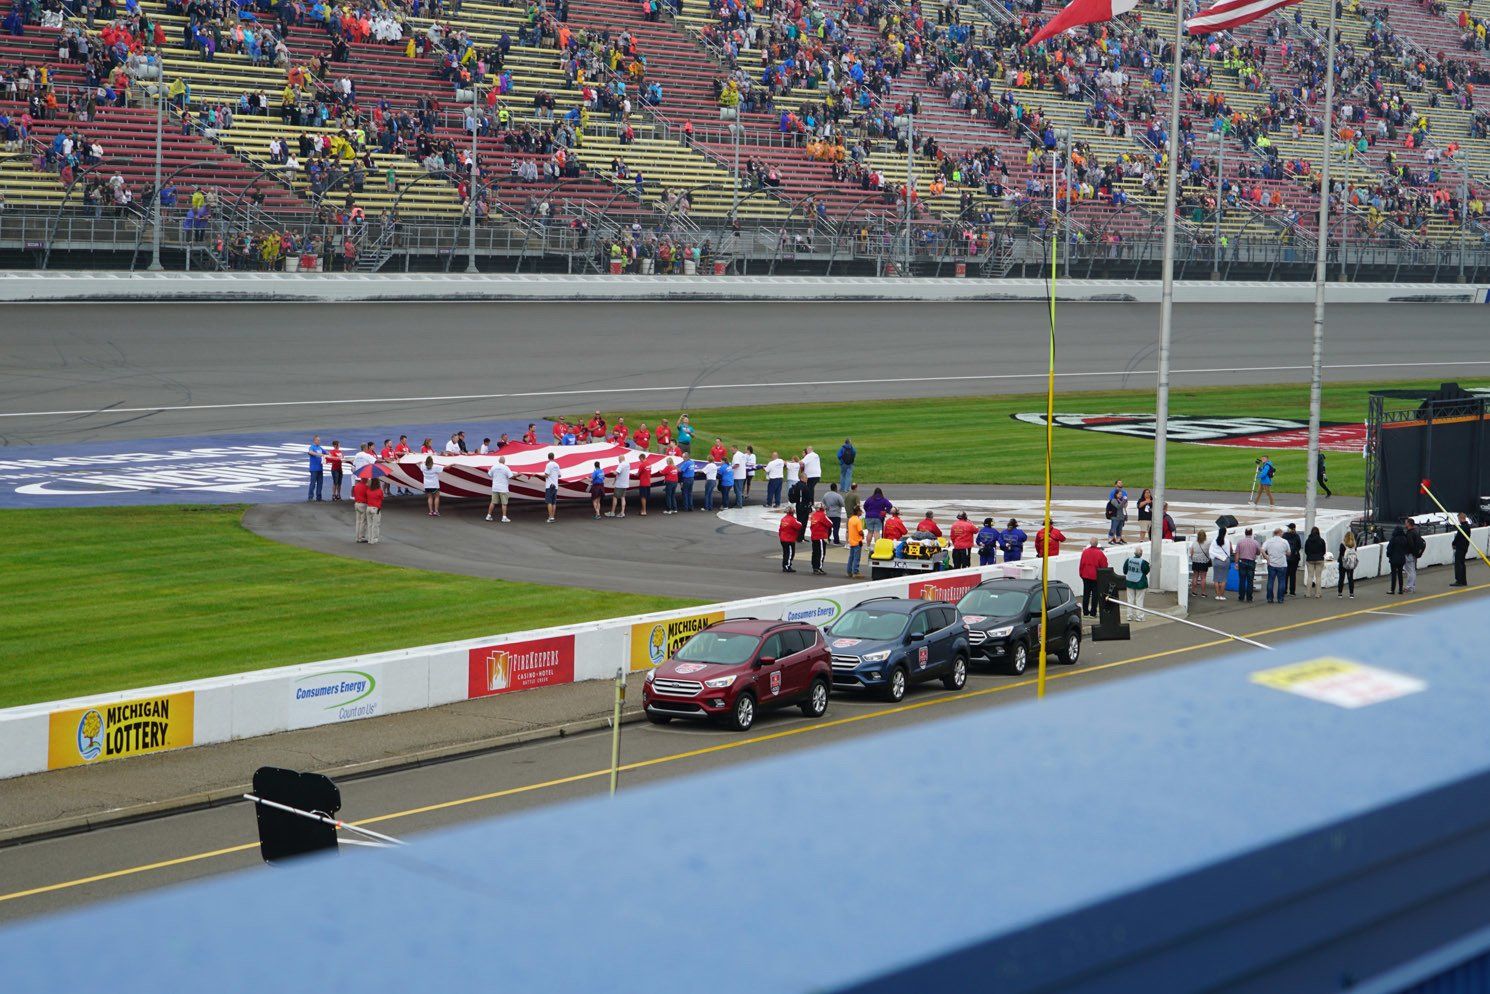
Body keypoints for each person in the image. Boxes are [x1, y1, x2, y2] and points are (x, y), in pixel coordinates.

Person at [1261, 528, 1291, 603]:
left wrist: (1266, 557)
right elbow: (1289, 553)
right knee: (1281, 582)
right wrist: (1285, 553)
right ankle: (1280, 599)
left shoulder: (1269, 541)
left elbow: (1262, 549)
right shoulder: (1284, 541)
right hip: (1282, 564)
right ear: (1280, 533)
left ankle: (1270, 598)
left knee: (1270, 581)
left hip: (1271, 564)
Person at [1078, 538, 1106, 616]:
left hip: (1085, 575)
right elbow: (1104, 565)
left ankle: (1085, 611)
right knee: (1095, 595)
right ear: (1097, 544)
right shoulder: (1100, 553)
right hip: (1095, 577)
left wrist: (1081, 574)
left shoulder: (1085, 552)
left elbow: (1081, 564)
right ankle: (1093, 612)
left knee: (1086, 594)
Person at [1122, 546, 1150, 622]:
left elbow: (1124, 571)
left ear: (1134, 553)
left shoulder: (1128, 560)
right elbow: (1146, 571)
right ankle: (1139, 616)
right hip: (1140, 583)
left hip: (1129, 582)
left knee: (1130, 600)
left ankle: (1129, 616)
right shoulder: (1143, 562)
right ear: (1141, 554)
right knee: (1139, 600)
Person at [1234, 528, 1261, 603]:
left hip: (1242, 561)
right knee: (1250, 581)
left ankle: (1241, 597)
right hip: (1251, 562)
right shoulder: (1255, 542)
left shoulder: (1240, 542)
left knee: (1242, 580)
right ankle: (1249, 598)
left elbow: (1237, 553)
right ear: (1251, 533)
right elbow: (1258, 553)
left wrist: (1236, 563)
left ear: (1245, 533)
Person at [486, 456, 513, 522]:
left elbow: (489, 475)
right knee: (504, 503)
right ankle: (504, 517)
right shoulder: (506, 467)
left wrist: (488, 470)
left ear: (499, 461)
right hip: (503, 488)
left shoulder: (494, 467)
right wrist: (518, 475)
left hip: (495, 487)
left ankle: (488, 516)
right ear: (504, 461)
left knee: (493, 502)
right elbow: (511, 476)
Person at [1303, 526, 1327, 597]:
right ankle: (1318, 594)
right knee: (1318, 577)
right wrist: (1320, 555)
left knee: (1310, 576)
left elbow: (1306, 551)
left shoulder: (1308, 540)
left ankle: (1308, 593)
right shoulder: (1321, 540)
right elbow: (1324, 551)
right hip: (1319, 559)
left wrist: (1310, 555)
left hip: (1310, 559)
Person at [1386, 523, 1410, 594]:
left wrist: (1389, 555)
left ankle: (1392, 589)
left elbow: (1389, 548)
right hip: (1402, 559)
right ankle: (1400, 589)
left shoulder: (1393, 539)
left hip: (1394, 559)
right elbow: (1406, 548)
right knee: (1400, 574)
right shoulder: (1404, 539)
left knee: (1394, 574)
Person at [808, 502, 831, 575]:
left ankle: (815, 567)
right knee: (821, 553)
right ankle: (819, 568)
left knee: (815, 552)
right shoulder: (822, 515)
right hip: (821, 536)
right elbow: (830, 523)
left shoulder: (813, 515)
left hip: (814, 536)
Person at [1209, 528, 1232, 601]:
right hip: (1225, 561)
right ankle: (1222, 596)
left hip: (1216, 561)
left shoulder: (1214, 541)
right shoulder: (1228, 541)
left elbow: (1211, 551)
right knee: (1223, 579)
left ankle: (1217, 595)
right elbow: (1230, 551)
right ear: (1225, 533)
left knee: (1216, 579)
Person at [1404, 519, 1426, 593]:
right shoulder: (1416, 532)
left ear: (1409, 524)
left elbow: (1410, 544)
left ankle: (1410, 587)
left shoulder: (1410, 533)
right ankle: (1412, 586)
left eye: (1406, 522)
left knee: (1410, 571)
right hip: (1414, 554)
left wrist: (1411, 552)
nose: (1405, 524)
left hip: (1409, 554)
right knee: (1412, 570)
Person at [1189, 529, 1212, 597]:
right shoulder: (1208, 543)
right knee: (1203, 578)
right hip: (1204, 562)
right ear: (1205, 536)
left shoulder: (1194, 543)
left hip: (1195, 561)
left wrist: (1193, 559)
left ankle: (1194, 591)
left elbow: (1191, 553)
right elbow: (1210, 552)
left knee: (1195, 577)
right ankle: (1203, 593)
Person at [778, 508, 802, 572]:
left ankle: (786, 565)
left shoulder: (783, 519)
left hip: (783, 538)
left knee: (786, 553)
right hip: (789, 539)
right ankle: (787, 566)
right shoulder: (792, 520)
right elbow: (799, 525)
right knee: (790, 553)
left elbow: (780, 529)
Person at [1450, 512, 1471, 587]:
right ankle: (1463, 581)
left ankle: (1459, 580)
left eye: (1458, 518)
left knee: (1458, 564)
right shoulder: (1467, 526)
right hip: (1465, 547)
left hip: (1460, 547)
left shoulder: (1462, 527)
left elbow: (1458, 537)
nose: (1458, 520)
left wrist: (1453, 543)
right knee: (1462, 563)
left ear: (1461, 518)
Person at [1105, 480, 1129, 545]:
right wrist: (1124, 501)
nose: (1121, 495)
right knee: (1113, 528)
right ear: (1116, 494)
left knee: (1119, 529)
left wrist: (1125, 516)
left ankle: (1118, 539)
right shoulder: (1114, 500)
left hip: (1121, 516)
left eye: (1121, 494)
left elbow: (1124, 507)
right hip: (1115, 516)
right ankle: (1110, 539)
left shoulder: (1121, 499)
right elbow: (1118, 506)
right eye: (1119, 494)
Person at [1337, 530, 1359, 598]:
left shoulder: (1342, 544)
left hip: (1343, 563)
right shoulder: (1354, 545)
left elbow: (1341, 554)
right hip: (1351, 563)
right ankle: (1351, 594)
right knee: (1350, 578)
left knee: (1341, 578)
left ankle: (1340, 593)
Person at [846, 506, 866, 578]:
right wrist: (863, 536)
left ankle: (849, 571)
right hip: (857, 541)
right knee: (856, 558)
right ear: (858, 512)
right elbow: (860, 531)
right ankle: (855, 572)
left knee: (851, 557)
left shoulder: (850, 519)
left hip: (851, 540)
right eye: (860, 511)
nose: (861, 512)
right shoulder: (858, 520)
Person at [1283, 523, 1303, 596]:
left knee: (1285, 574)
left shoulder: (1285, 535)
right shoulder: (1297, 536)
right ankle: (1292, 591)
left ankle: (1284, 590)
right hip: (1295, 558)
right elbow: (1299, 546)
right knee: (1293, 575)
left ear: (1290, 528)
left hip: (1286, 557)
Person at [364, 478, 383, 544]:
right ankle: (374, 539)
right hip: (375, 508)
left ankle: (369, 538)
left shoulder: (368, 490)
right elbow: (381, 498)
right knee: (375, 525)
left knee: (369, 524)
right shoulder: (379, 491)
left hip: (368, 508)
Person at [307, 435, 326, 501]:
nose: (319, 441)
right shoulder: (312, 447)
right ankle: (310, 497)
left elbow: (327, 453)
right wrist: (320, 455)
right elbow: (310, 452)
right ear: (314, 440)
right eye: (318, 440)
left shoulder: (320, 448)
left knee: (320, 483)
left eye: (319, 440)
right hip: (314, 469)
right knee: (313, 483)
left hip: (320, 468)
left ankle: (319, 497)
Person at [543, 451, 561, 523]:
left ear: (548, 458)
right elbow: (559, 475)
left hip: (550, 485)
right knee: (554, 502)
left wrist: (538, 475)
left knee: (549, 502)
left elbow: (546, 475)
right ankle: (552, 517)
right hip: (555, 485)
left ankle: (550, 517)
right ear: (553, 457)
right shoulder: (557, 465)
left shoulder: (548, 465)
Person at [352, 473, 369, 542]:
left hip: (357, 503)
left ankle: (357, 537)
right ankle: (361, 537)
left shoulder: (357, 486)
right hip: (363, 504)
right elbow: (368, 496)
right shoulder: (366, 487)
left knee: (358, 521)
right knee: (363, 522)